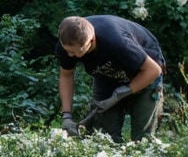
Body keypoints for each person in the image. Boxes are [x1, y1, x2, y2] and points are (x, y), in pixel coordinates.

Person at [55, 14, 165, 143]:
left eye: (74, 52)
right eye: (67, 50)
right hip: (106, 76)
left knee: (143, 140)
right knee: (103, 138)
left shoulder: (116, 42)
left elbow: (154, 70)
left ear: (91, 41)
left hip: (144, 73)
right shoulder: (67, 44)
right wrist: (66, 116)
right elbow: (66, 75)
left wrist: (123, 92)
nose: (69, 55)